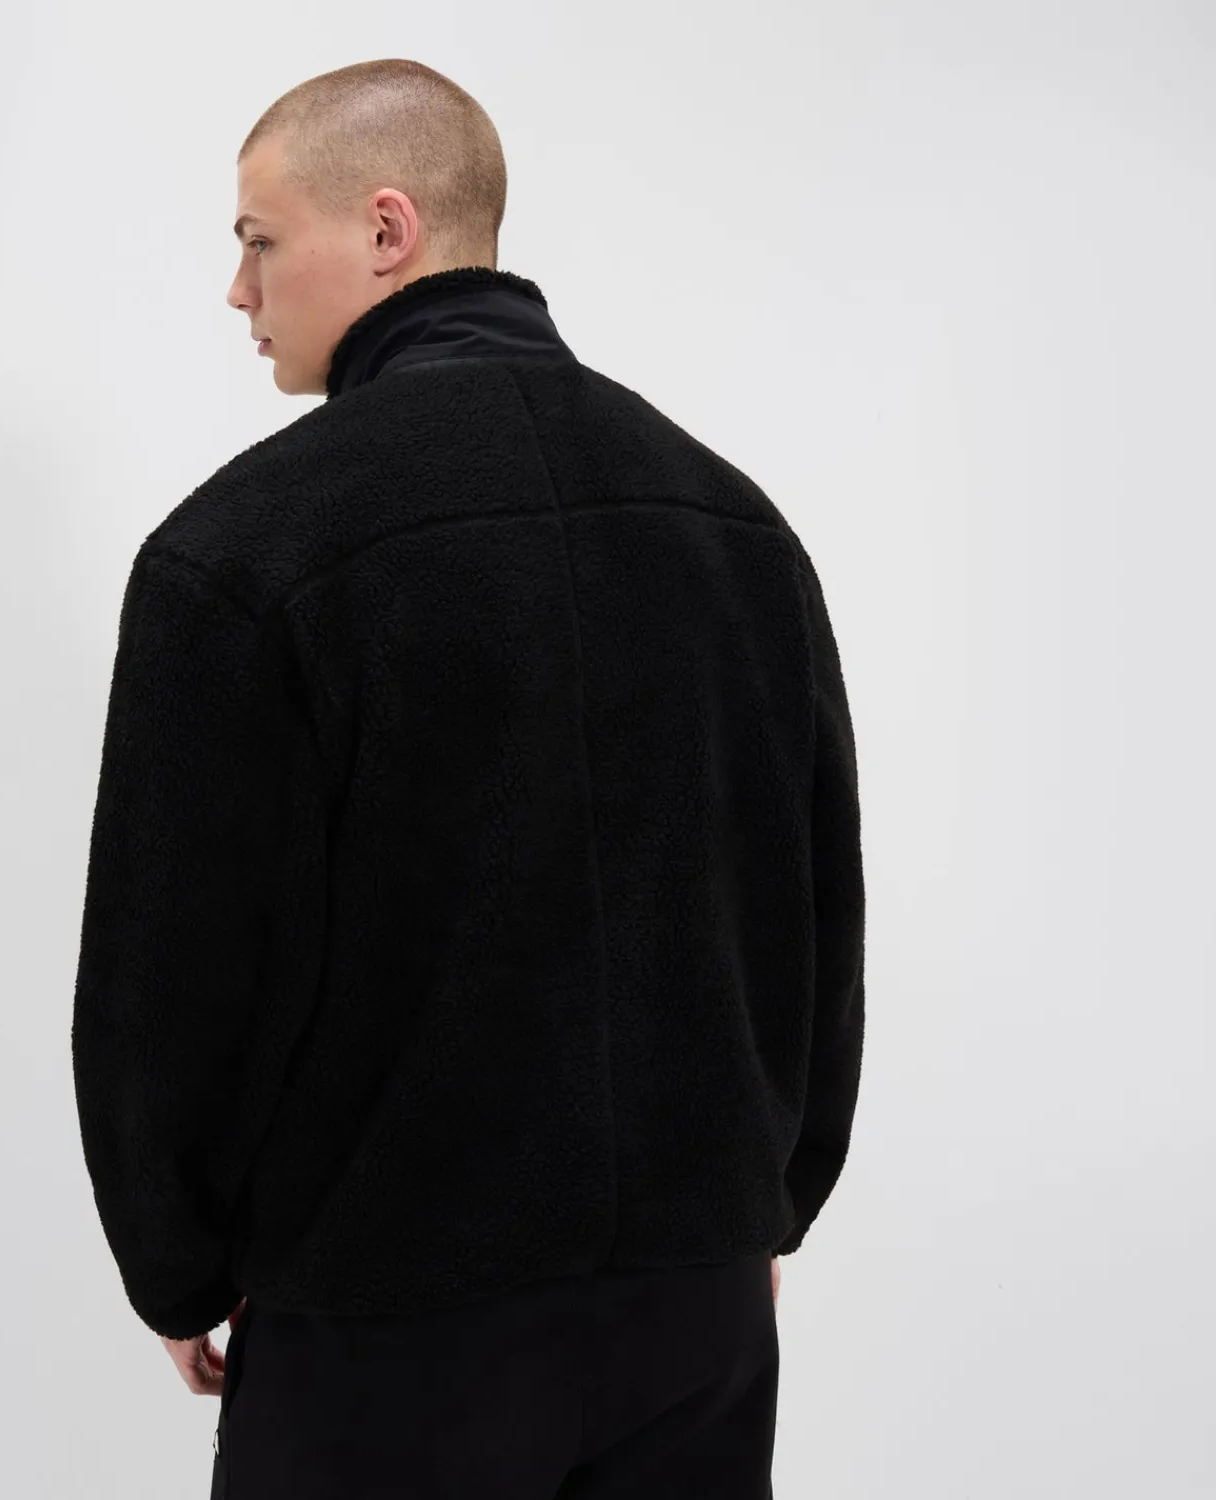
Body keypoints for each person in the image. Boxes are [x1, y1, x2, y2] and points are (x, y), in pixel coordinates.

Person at [69, 56, 866, 1499]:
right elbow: (811, 907)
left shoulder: (244, 552)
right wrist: (762, 1203)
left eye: (259, 240)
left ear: (388, 228)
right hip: (696, 1314)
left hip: (391, 1325)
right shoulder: (735, 527)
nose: (239, 292)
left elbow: (174, 970)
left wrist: (177, 1259)